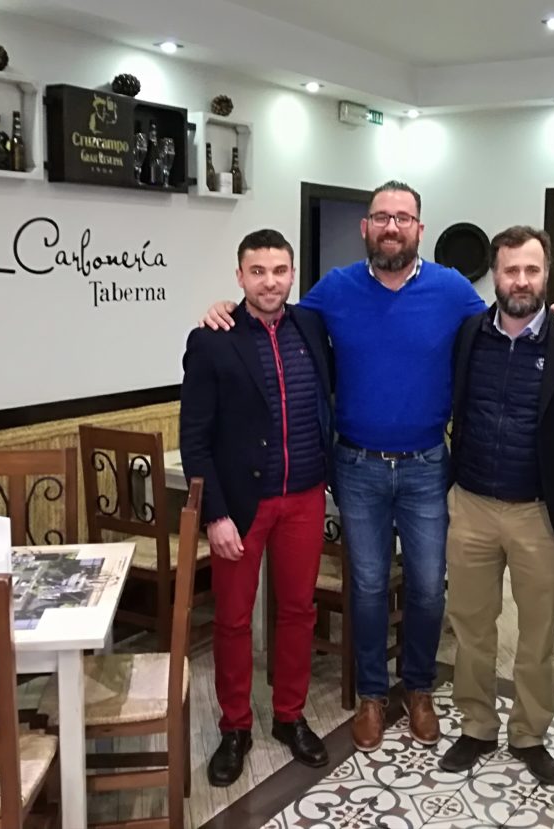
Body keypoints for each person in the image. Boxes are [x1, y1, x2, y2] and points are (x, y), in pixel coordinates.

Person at [200, 181, 554, 753]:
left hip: (428, 466)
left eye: (403, 218)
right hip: (356, 466)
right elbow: (277, 316)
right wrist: (224, 310)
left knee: (429, 587)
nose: (391, 227)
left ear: (419, 229)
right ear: (366, 227)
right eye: (381, 216)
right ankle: (373, 696)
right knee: (368, 586)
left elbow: (507, 319)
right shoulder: (334, 289)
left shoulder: (452, 290)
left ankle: (419, 687)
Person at [440, 226, 554, 785]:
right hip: (471, 505)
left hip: (540, 513)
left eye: (532, 270)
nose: (521, 281)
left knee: (538, 634)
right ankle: (477, 725)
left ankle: (530, 733)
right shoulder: (469, 333)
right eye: (511, 270)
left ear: (547, 274)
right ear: (495, 274)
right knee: (471, 625)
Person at [180, 229, 334, 786]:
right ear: (239, 276)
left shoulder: (312, 327)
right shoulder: (212, 339)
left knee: (297, 611)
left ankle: (289, 715)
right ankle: (235, 727)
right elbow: (194, 437)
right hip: (241, 506)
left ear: (293, 274)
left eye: (279, 270)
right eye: (258, 271)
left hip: (305, 496)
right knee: (233, 619)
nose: (270, 282)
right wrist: (215, 514)